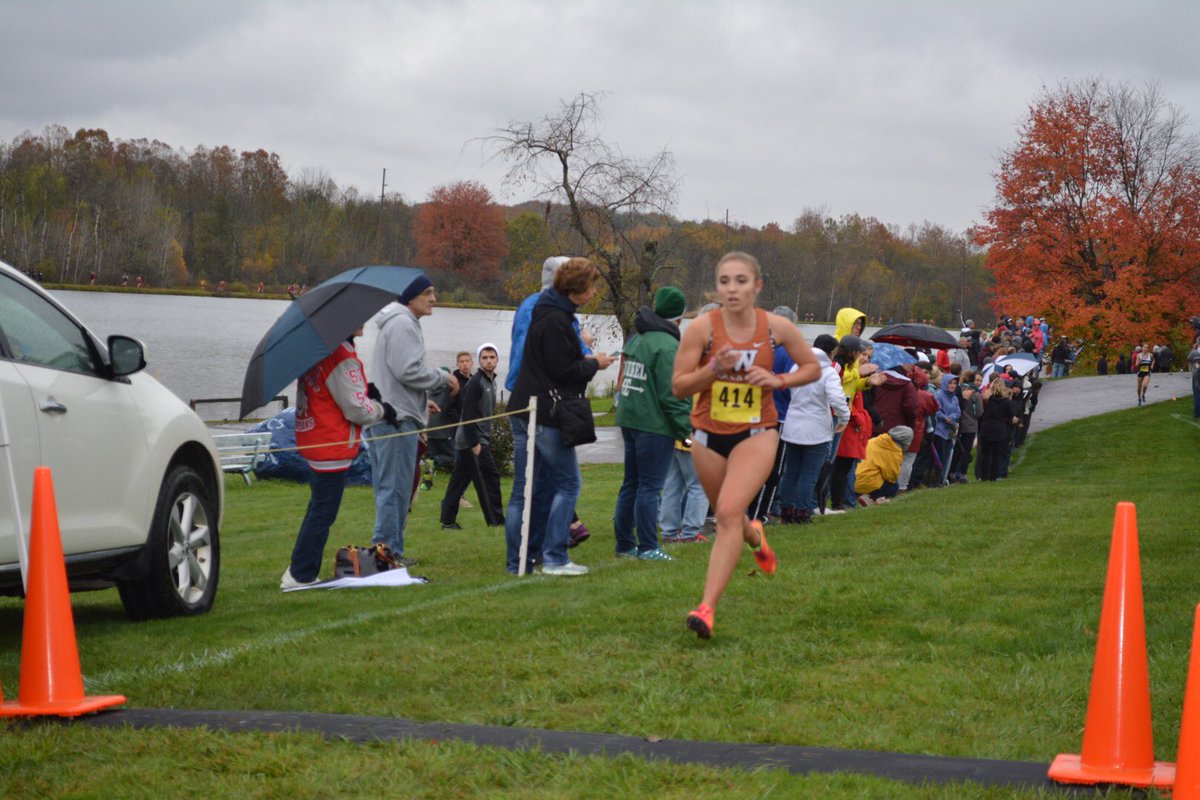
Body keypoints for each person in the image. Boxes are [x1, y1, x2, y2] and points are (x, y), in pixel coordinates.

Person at [673, 252, 821, 640]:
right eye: (724, 281)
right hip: (707, 433)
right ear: (716, 286)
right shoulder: (701, 329)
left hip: (758, 433)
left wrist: (777, 382)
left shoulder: (777, 327)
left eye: (741, 281)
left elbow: (812, 368)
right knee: (732, 516)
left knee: (725, 512)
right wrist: (712, 370)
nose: (732, 288)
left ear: (757, 286)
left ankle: (705, 609)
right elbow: (679, 386)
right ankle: (755, 536)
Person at [505, 258, 614, 576]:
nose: (594, 291)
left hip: (527, 405)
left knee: (525, 490)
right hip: (546, 412)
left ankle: (520, 562)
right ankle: (554, 556)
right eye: (591, 285)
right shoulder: (555, 319)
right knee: (568, 483)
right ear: (576, 289)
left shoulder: (542, 309)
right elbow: (561, 370)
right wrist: (595, 363)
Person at [281, 328, 394, 590]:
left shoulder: (319, 349)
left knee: (318, 508)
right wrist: (383, 410)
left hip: (315, 438)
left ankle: (300, 567)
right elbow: (357, 409)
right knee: (323, 512)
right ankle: (301, 574)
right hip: (330, 441)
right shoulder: (340, 354)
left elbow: (336, 391)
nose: (362, 322)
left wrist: (366, 389)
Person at [367, 275, 458, 567]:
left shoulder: (399, 322)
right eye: (428, 293)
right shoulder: (403, 323)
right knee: (395, 489)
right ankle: (385, 553)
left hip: (395, 414)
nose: (433, 298)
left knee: (395, 488)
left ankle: (390, 551)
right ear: (411, 297)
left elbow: (398, 375)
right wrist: (443, 377)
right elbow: (410, 371)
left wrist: (421, 401)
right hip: (395, 422)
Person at [613, 287, 692, 560]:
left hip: (630, 419)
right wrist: (686, 430)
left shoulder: (638, 338)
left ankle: (624, 544)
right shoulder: (668, 346)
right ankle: (648, 546)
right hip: (653, 425)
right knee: (649, 487)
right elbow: (673, 393)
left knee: (630, 484)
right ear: (678, 318)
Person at [778, 333, 848, 523]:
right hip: (816, 428)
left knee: (791, 471)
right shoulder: (828, 372)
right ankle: (802, 511)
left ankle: (786, 510)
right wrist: (844, 417)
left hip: (793, 425)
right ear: (831, 353)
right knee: (809, 473)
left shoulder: (796, 366)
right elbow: (837, 399)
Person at [439, 343, 504, 530]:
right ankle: (496, 521)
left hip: (473, 440)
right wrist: (475, 442)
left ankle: (447, 521)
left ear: (497, 359)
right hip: (472, 441)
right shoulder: (476, 382)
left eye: (492, 357)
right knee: (489, 478)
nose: (489, 361)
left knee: (459, 481)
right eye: (485, 357)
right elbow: (467, 415)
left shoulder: (491, 381)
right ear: (480, 360)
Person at [659, 437, 708, 544]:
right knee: (699, 487)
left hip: (673, 440)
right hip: (693, 443)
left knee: (672, 488)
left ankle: (669, 533)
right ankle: (691, 534)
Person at [854, 426, 912, 505]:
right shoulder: (894, 451)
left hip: (852, 480)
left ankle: (860, 495)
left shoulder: (874, 440)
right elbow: (891, 477)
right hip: (866, 483)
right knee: (894, 486)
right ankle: (872, 498)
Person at [1189, 337, 1200, 419]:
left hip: (1196, 375)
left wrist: (1193, 348)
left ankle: (1197, 413)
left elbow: (1189, 358)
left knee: (1197, 394)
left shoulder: (1194, 352)